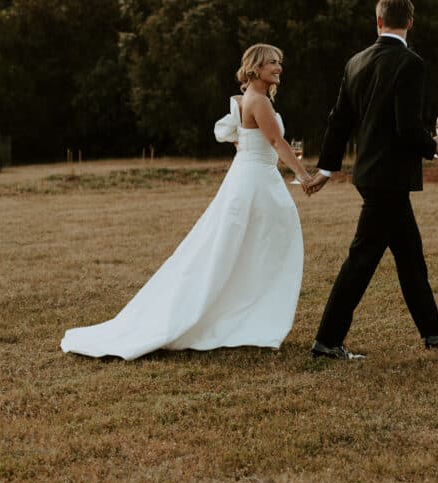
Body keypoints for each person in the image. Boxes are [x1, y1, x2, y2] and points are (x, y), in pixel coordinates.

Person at [61, 44, 311, 360]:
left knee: (245, 245)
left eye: (280, 62)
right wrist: (303, 176)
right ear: (255, 68)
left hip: (253, 177)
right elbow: (276, 141)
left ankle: (249, 312)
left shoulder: (247, 100)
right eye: (272, 62)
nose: (279, 67)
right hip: (255, 181)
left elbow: (245, 138)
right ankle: (246, 314)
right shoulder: (258, 101)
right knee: (248, 244)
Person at [304, 0, 438, 360]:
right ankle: (327, 340)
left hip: (370, 174)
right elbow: (405, 128)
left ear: (378, 21)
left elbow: (339, 121)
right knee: (362, 258)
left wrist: (326, 168)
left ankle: (433, 332)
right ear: (410, 22)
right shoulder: (409, 63)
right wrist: (434, 146)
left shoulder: (356, 62)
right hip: (389, 178)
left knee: (410, 255)